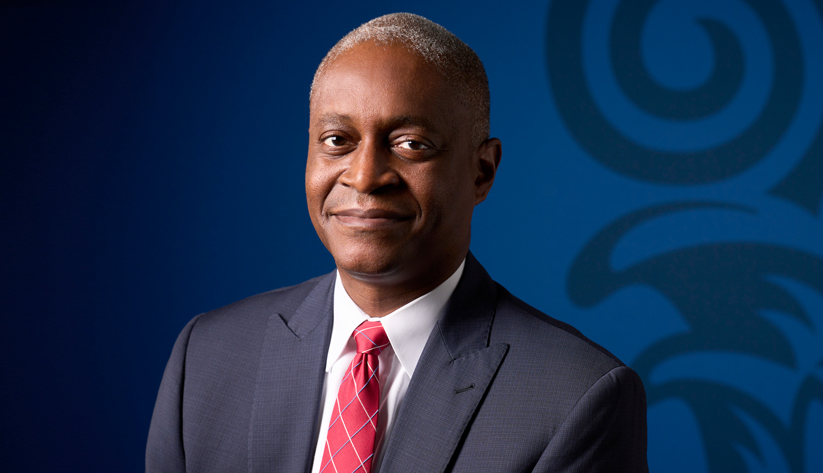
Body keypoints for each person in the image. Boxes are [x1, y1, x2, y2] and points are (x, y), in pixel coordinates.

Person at [146, 12, 648, 473]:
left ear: (481, 171)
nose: (365, 176)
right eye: (337, 141)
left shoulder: (577, 397)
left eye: (411, 144)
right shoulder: (207, 355)